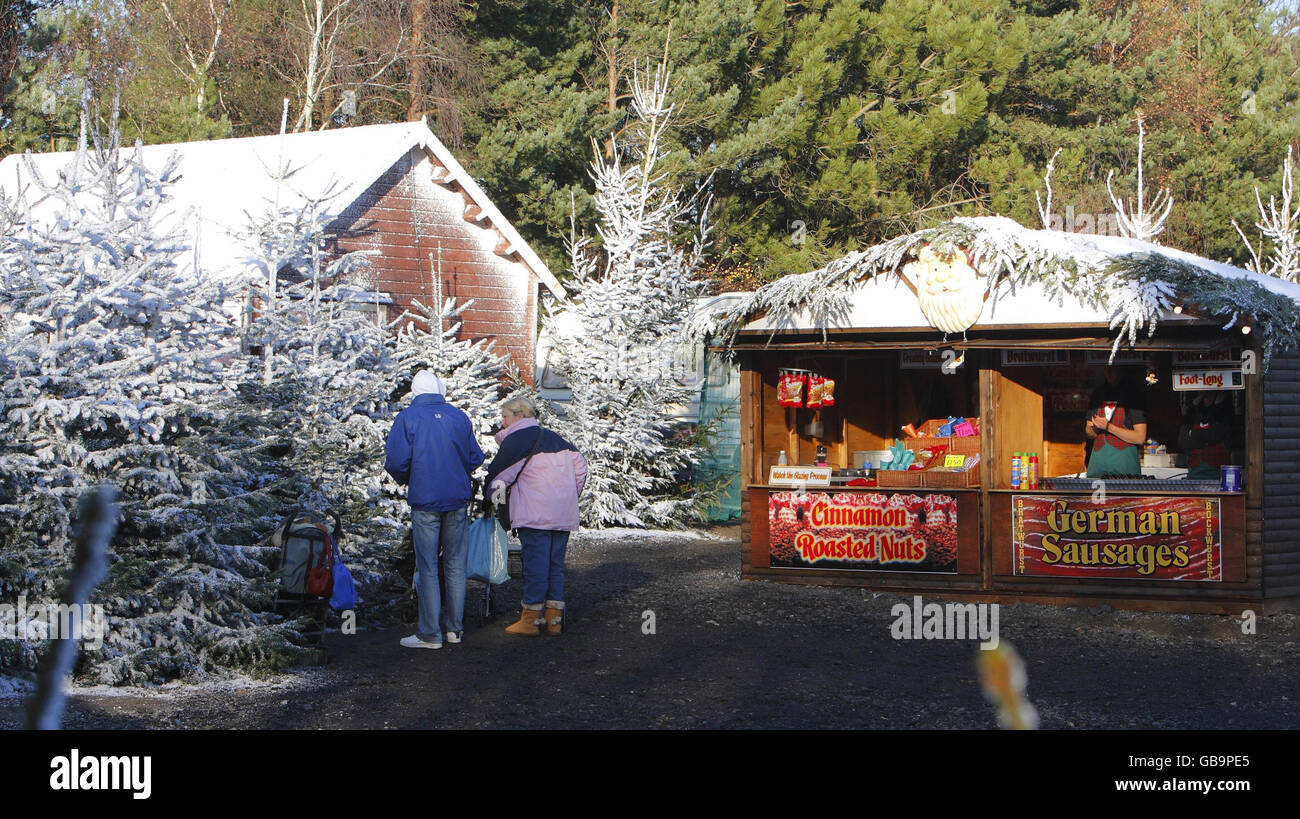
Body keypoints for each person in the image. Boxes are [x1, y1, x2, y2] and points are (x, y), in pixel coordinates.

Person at [385, 370, 484, 649]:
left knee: (428, 566)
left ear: (415, 391)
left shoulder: (407, 418)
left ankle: (430, 634)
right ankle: (455, 629)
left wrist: (409, 478)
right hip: (457, 500)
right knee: (455, 565)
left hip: (425, 500)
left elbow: (396, 461)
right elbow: (475, 456)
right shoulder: (458, 416)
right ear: (440, 390)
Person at [484, 397, 586, 636]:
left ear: (520, 416)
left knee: (536, 566)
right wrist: (570, 495)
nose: (502, 422)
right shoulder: (557, 439)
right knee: (554, 566)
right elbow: (581, 467)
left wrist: (492, 499)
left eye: (505, 416)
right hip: (562, 513)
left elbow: (500, 478)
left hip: (535, 513)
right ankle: (554, 620)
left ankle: (530, 620)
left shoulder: (517, 441)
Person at [1084, 365, 1148, 478]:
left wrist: (1109, 427)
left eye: (1113, 368)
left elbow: (1140, 438)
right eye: (1106, 368)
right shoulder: (1097, 394)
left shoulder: (1133, 395)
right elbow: (1088, 431)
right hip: (1098, 466)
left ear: (1121, 368)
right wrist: (1095, 428)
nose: (1109, 371)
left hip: (1124, 468)